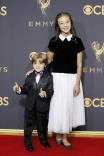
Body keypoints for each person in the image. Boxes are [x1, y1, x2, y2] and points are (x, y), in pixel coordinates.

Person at [47, 12, 85, 149]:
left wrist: (77, 84)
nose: (65, 25)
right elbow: (48, 60)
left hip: (72, 79)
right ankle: (58, 134)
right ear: (58, 25)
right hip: (57, 78)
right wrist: (35, 69)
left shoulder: (77, 41)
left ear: (71, 22)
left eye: (67, 22)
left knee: (69, 107)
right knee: (58, 108)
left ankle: (65, 137)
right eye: (61, 23)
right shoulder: (53, 41)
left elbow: (80, 64)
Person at [13, 52, 53, 151]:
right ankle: (27, 143)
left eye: (40, 63)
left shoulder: (49, 77)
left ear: (45, 64)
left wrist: (45, 94)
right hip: (30, 105)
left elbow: (50, 91)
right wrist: (18, 89)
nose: (37, 65)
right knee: (28, 125)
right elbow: (26, 89)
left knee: (42, 125)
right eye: (35, 63)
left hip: (42, 105)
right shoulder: (29, 76)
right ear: (32, 64)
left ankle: (43, 140)